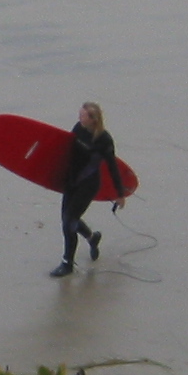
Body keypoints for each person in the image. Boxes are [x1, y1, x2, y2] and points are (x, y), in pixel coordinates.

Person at [52, 102, 125, 277]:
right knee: (68, 219)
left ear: (93, 119)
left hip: (89, 185)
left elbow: (113, 166)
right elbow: (66, 150)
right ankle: (92, 238)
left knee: (69, 221)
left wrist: (119, 194)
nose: (79, 118)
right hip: (71, 181)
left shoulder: (104, 140)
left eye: (82, 115)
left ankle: (67, 263)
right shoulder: (78, 128)